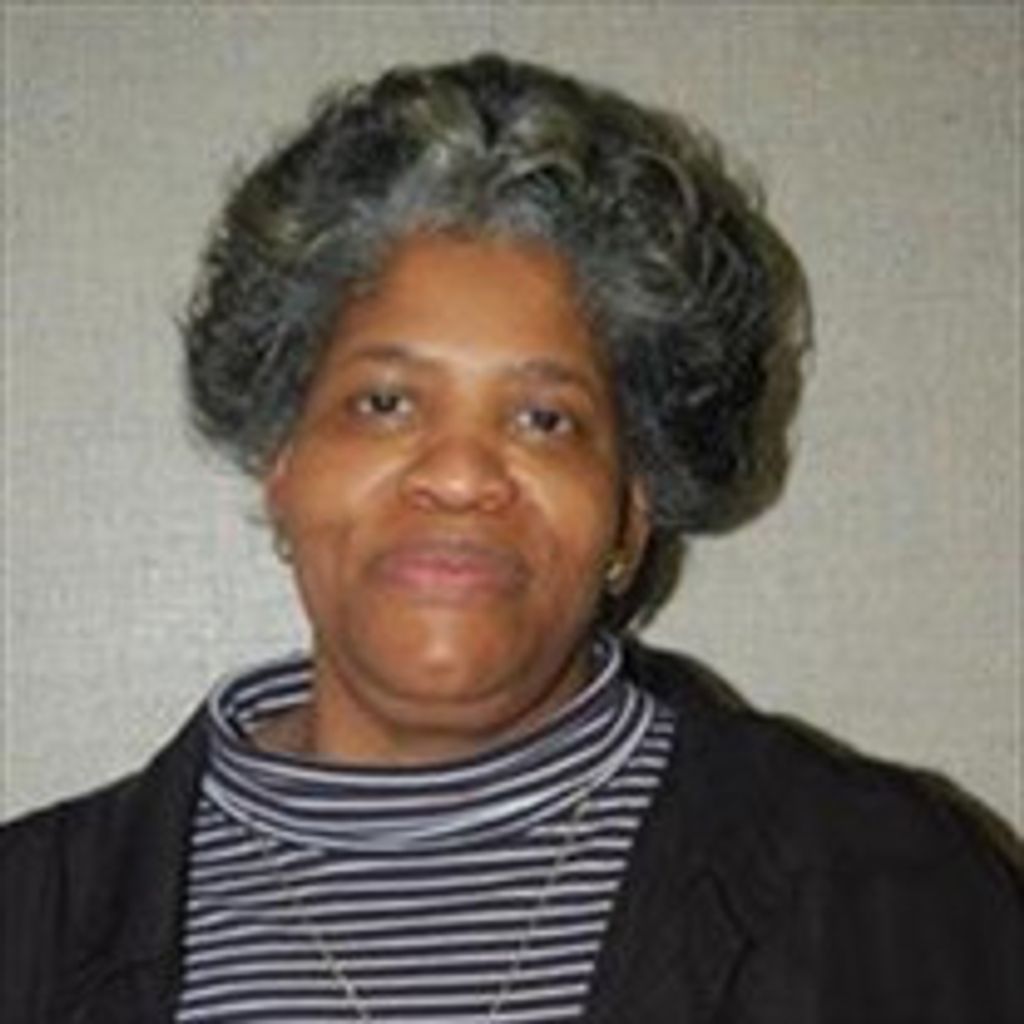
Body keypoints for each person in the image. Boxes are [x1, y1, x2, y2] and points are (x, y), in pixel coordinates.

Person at [2, 53, 1021, 1024]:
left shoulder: (894, 892)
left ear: (631, 508)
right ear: (285, 467)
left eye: (545, 419)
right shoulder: (27, 925)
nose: (459, 475)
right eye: (385, 402)